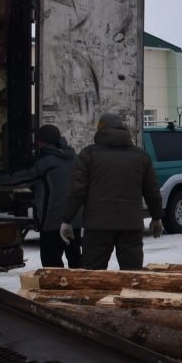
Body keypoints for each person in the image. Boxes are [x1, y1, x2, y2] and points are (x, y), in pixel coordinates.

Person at [60, 112, 162, 271]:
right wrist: (156, 217)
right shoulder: (141, 156)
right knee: (132, 275)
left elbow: (77, 191)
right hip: (130, 225)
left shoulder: (88, 154)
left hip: (97, 227)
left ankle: (94, 297)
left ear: (100, 131)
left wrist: (66, 219)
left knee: (93, 275)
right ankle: (130, 296)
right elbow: (152, 191)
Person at [0, 124, 82, 268]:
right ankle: (80, 290)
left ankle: (57, 291)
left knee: (52, 268)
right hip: (74, 220)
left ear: (41, 141)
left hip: (52, 222)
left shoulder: (45, 162)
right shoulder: (74, 158)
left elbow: (16, 179)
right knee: (76, 263)